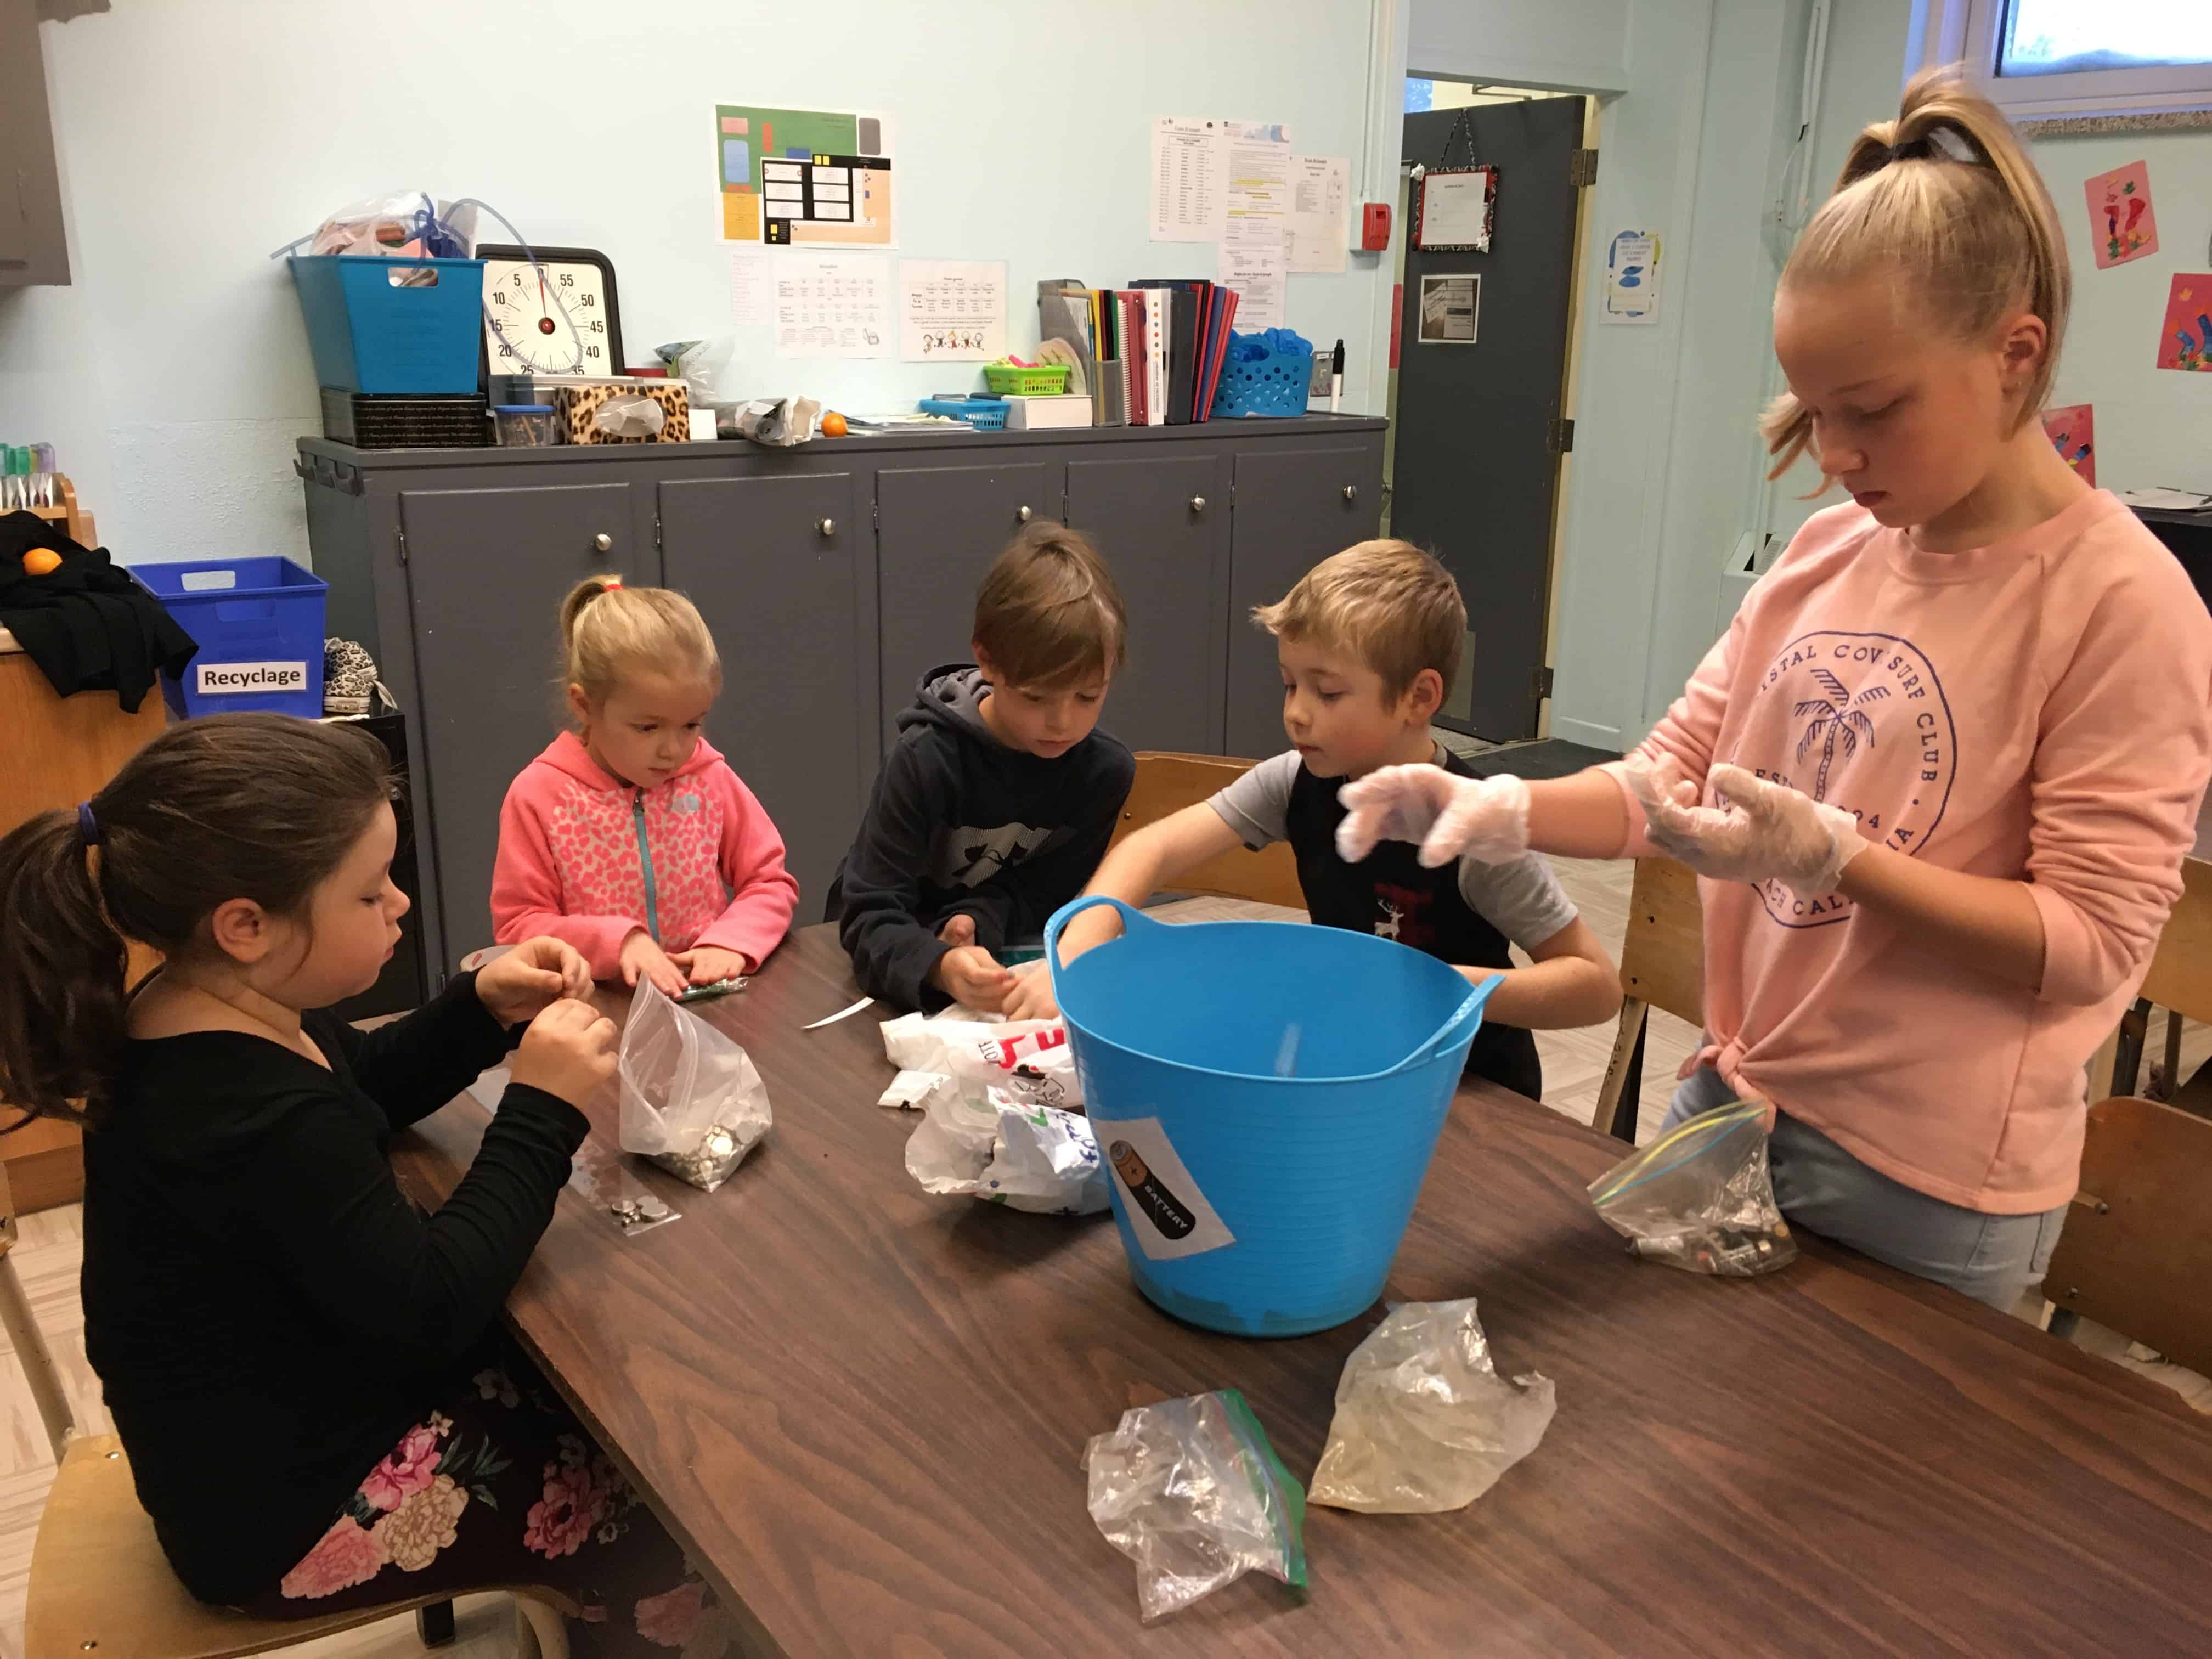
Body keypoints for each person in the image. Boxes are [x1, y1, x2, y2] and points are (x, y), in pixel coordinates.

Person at [1337, 70, 2212, 1311]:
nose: (1838, 456)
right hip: (1733, 1099)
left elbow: (2090, 948)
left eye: (1875, 411)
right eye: (1815, 412)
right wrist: (1500, 807)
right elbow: (1670, 783)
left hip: (1925, 1180)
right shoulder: (1829, 551)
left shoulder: (2121, 604)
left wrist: (1840, 858)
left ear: (2014, 356)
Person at [0, 713, 737, 1655]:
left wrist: (477, 1008)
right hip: (280, 1519)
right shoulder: (245, 1115)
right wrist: (542, 1108)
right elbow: (434, 1305)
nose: (400, 904)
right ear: (246, 925)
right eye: (368, 891)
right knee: (666, 1504)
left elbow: (361, 1084)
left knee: (606, 1385)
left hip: (282, 1428)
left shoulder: (212, 1008)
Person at [1036, 540, 1621, 1095]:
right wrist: (1072, 958)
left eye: (1329, 693)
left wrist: (1443, 988)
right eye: (1290, 685)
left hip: (1471, 1093)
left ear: (1419, 698)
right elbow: (1152, 848)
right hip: (1354, 1074)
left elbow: (1595, 988)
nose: (1296, 713)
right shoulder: (1294, 781)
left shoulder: (1476, 827)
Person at [830, 523, 1136, 1013]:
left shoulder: (1104, 774)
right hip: (879, 973)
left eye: (1088, 696)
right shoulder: (925, 760)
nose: (1062, 722)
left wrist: (976, 919)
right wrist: (939, 965)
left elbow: (1041, 896)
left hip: (993, 968)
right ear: (986, 660)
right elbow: (866, 913)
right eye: (1036, 696)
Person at [493, 577, 798, 996]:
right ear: (584, 705)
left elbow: (769, 882)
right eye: (647, 728)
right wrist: (618, 943)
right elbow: (518, 927)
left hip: (706, 1002)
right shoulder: (539, 796)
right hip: (597, 1009)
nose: (674, 751)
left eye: (691, 725)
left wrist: (731, 941)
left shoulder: (709, 777)